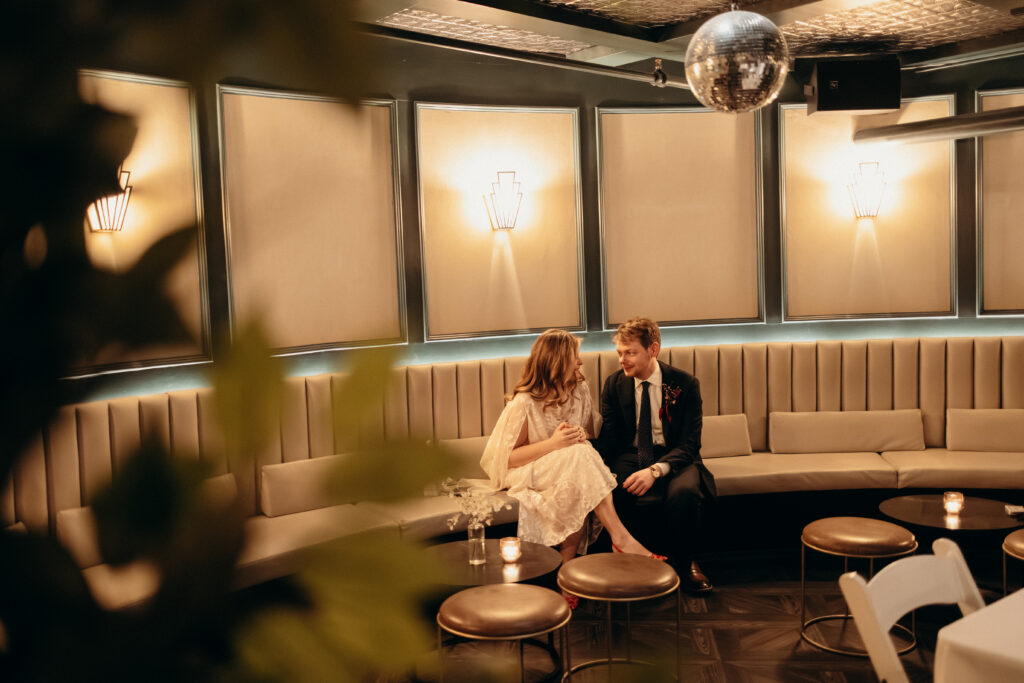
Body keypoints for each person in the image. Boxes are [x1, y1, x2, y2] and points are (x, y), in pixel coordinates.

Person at [479, 329, 661, 576]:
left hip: (569, 465)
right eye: (575, 356)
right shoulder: (525, 401)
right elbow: (505, 460)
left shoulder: (579, 390)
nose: (580, 361)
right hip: (524, 470)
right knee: (578, 458)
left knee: (577, 469)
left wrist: (581, 435)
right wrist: (553, 444)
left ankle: (568, 568)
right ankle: (619, 539)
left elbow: (590, 432)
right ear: (557, 361)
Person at [594, 317, 717, 594]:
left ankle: (685, 565)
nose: (623, 360)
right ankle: (630, 563)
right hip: (632, 452)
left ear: (653, 349)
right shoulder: (613, 385)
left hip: (676, 456)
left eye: (630, 352)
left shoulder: (684, 383)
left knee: (683, 493)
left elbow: (690, 444)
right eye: (620, 353)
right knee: (613, 487)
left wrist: (655, 471)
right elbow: (612, 439)